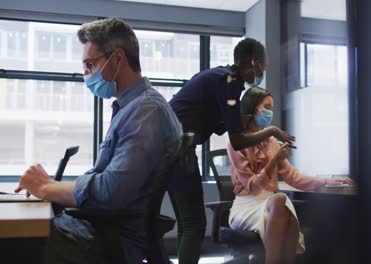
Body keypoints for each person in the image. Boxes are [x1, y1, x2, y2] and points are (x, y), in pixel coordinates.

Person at [14, 18, 182, 264]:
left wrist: (46, 187)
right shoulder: (131, 108)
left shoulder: (146, 111)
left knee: (15, 239)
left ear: (117, 59)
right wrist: (51, 186)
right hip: (103, 229)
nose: (86, 74)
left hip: (109, 238)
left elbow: (111, 191)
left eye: (90, 65)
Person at [168, 38, 295, 264]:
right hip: (177, 150)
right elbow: (236, 141)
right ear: (254, 62)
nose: (263, 70)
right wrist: (272, 130)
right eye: (263, 65)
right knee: (194, 225)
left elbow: (222, 123)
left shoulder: (220, 77)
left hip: (168, 149)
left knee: (187, 223)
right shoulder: (230, 83)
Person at [227, 87, 353, 264]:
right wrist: (274, 160)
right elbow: (253, 186)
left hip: (273, 203)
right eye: (267, 107)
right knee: (281, 202)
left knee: (283, 206)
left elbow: (294, 178)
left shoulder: (271, 142)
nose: (270, 112)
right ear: (253, 108)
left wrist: (328, 180)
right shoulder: (236, 143)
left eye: (272, 107)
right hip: (248, 204)